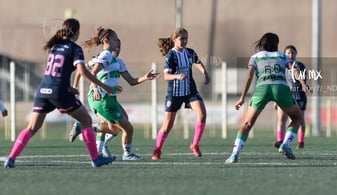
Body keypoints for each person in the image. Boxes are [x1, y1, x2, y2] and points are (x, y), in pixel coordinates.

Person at [4, 18, 116, 168]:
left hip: (43, 90)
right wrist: (103, 86)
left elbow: (55, 73)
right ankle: (95, 159)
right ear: (76, 32)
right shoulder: (75, 48)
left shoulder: (54, 46)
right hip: (59, 92)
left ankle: (11, 158)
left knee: (31, 127)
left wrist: (69, 88)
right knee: (86, 121)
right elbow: (83, 72)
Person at [225, 33, 310, 163]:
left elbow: (249, 77)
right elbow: (294, 70)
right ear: (277, 44)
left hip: (262, 89)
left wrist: (242, 97)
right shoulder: (282, 56)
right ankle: (286, 144)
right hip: (280, 88)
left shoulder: (255, 57)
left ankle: (235, 154)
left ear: (262, 44)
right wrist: (303, 84)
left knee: (247, 124)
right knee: (298, 117)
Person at [69, 39, 159, 158]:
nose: (118, 48)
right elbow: (83, 71)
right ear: (108, 43)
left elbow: (131, 81)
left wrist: (145, 78)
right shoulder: (102, 57)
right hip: (99, 97)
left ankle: (97, 148)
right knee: (126, 128)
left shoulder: (119, 62)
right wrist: (80, 88)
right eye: (116, 44)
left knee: (116, 127)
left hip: (111, 98)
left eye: (120, 46)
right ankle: (126, 154)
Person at [152, 27, 211, 160]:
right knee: (168, 125)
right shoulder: (171, 55)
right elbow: (166, 76)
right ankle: (157, 150)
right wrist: (177, 76)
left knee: (202, 115)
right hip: (174, 93)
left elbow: (198, 62)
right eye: (181, 38)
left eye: (186, 38)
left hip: (190, 91)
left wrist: (205, 73)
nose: (184, 41)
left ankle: (195, 144)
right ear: (174, 40)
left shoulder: (189, 52)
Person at [274, 45, 308, 149]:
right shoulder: (280, 67)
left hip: (298, 96)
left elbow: (300, 77)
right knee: (281, 118)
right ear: (284, 54)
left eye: (293, 53)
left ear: (296, 54)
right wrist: (276, 99)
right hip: (284, 95)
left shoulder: (300, 65)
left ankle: (300, 142)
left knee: (300, 120)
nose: (291, 55)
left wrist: (303, 85)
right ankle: (280, 140)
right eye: (288, 53)